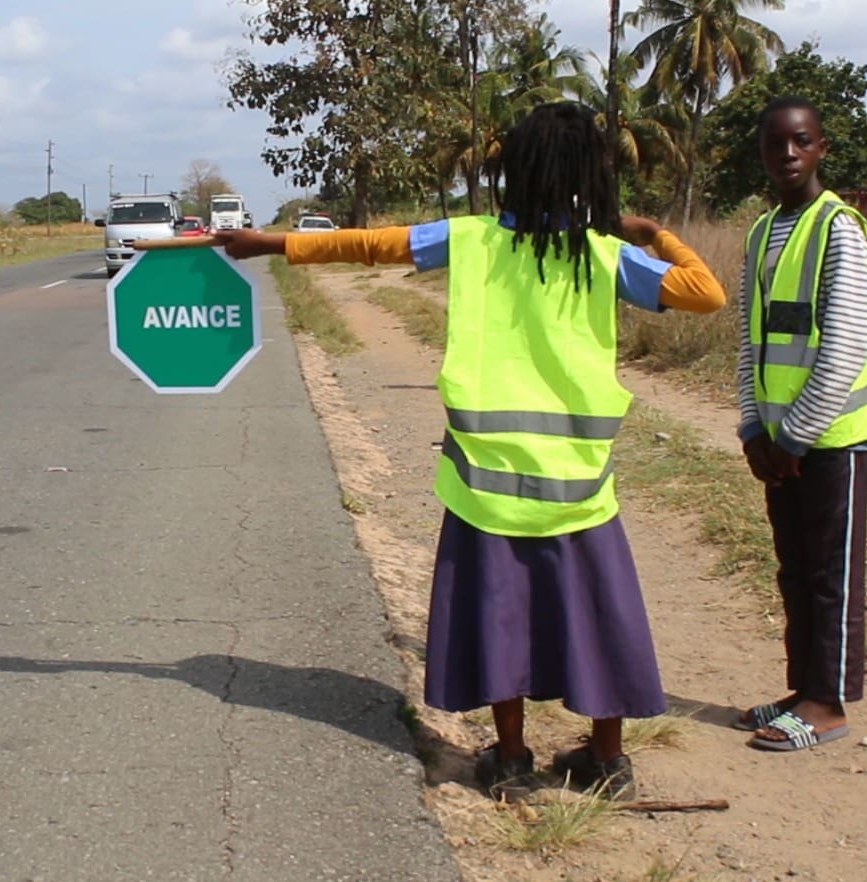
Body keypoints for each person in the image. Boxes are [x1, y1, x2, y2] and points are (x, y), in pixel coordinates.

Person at [217, 101, 725, 801]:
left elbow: (369, 245)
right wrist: (656, 234)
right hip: (578, 485)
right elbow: (707, 294)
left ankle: (512, 759)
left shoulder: (473, 240)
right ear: (591, 175)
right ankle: (607, 762)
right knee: (597, 617)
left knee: (500, 617)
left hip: (486, 485)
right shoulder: (607, 258)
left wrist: (273, 244)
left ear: (516, 169)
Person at [733, 96, 867, 752]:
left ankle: (828, 705)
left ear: (822, 148)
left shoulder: (839, 228)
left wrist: (796, 433)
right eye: (776, 145)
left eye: (801, 142)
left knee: (831, 570)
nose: (788, 155)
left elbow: (848, 340)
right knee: (793, 568)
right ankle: (801, 688)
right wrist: (752, 428)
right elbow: (749, 339)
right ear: (763, 154)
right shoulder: (761, 231)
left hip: (829, 437)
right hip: (779, 443)